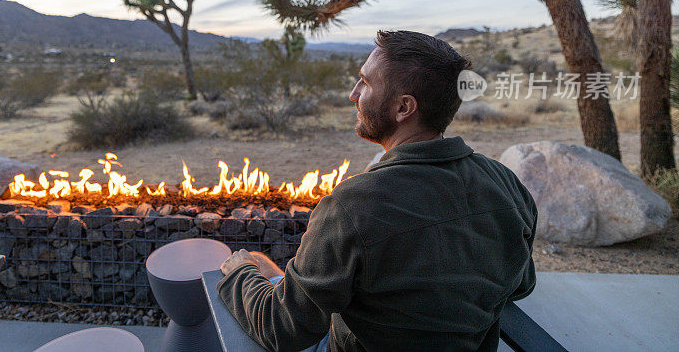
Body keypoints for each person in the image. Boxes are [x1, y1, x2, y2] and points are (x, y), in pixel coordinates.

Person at [218, 30, 537, 351]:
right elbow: (521, 284)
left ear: (403, 108)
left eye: (366, 83)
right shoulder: (505, 183)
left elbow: (283, 330)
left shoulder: (351, 206)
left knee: (252, 264)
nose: (353, 94)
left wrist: (239, 273)